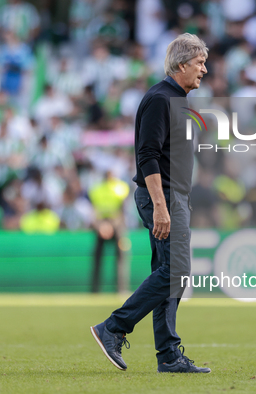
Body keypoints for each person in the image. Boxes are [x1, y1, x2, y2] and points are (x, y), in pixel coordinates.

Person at [90, 33, 210, 373]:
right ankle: (113, 327)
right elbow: (147, 155)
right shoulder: (161, 99)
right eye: (199, 63)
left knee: (168, 273)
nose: (204, 69)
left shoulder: (175, 99)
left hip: (173, 196)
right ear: (181, 64)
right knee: (177, 271)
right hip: (164, 196)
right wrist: (161, 205)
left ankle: (169, 355)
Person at [88, 171, 130, 294]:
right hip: (108, 224)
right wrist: (103, 225)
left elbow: (94, 212)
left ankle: (118, 288)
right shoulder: (120, 188)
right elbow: (122, 212)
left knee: (117, 256)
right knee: (115, 257)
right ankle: (104, 289)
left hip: (111, 224)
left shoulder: (97, 190)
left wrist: (104, 225)